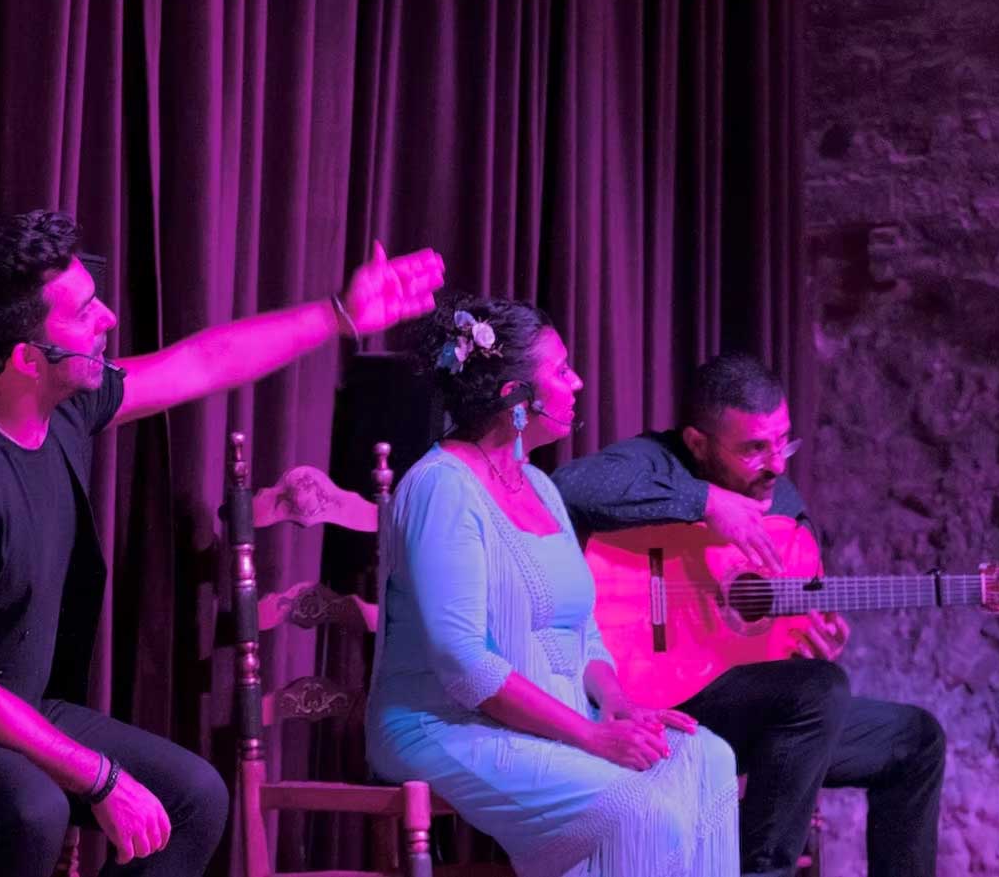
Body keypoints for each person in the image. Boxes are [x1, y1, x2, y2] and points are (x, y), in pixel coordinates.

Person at [0, 210, 443, 876]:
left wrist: (338, 314)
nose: (108, 317)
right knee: (31, 809)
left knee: (194, 797)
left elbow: (202, 362)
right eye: (84, 313)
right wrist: (99, 776)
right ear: (25, 357)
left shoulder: (63, 405)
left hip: (4, 702)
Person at [366, 298, 740, 877]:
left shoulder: (538, 487)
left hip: (553, 715)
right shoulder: (442, 488)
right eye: (562, 371)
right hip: (441, 725)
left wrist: (616, 703)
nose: (578, 382)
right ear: (515, 397)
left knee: (707, 758)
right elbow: (463, 663)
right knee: (640, 810)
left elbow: (582, 630)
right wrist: (589, 736)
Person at [552, 353, 948, 877]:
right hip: (659, 704)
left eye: (782, 441)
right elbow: (567, 487)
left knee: (915, 739)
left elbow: (782, 622)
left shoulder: (781, 497)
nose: (777, 464)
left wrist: (812, 636)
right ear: (698, 443)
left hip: (750, 712)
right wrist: (703, 502)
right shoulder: (658, 460)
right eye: (754, 449)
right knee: (819, 689)